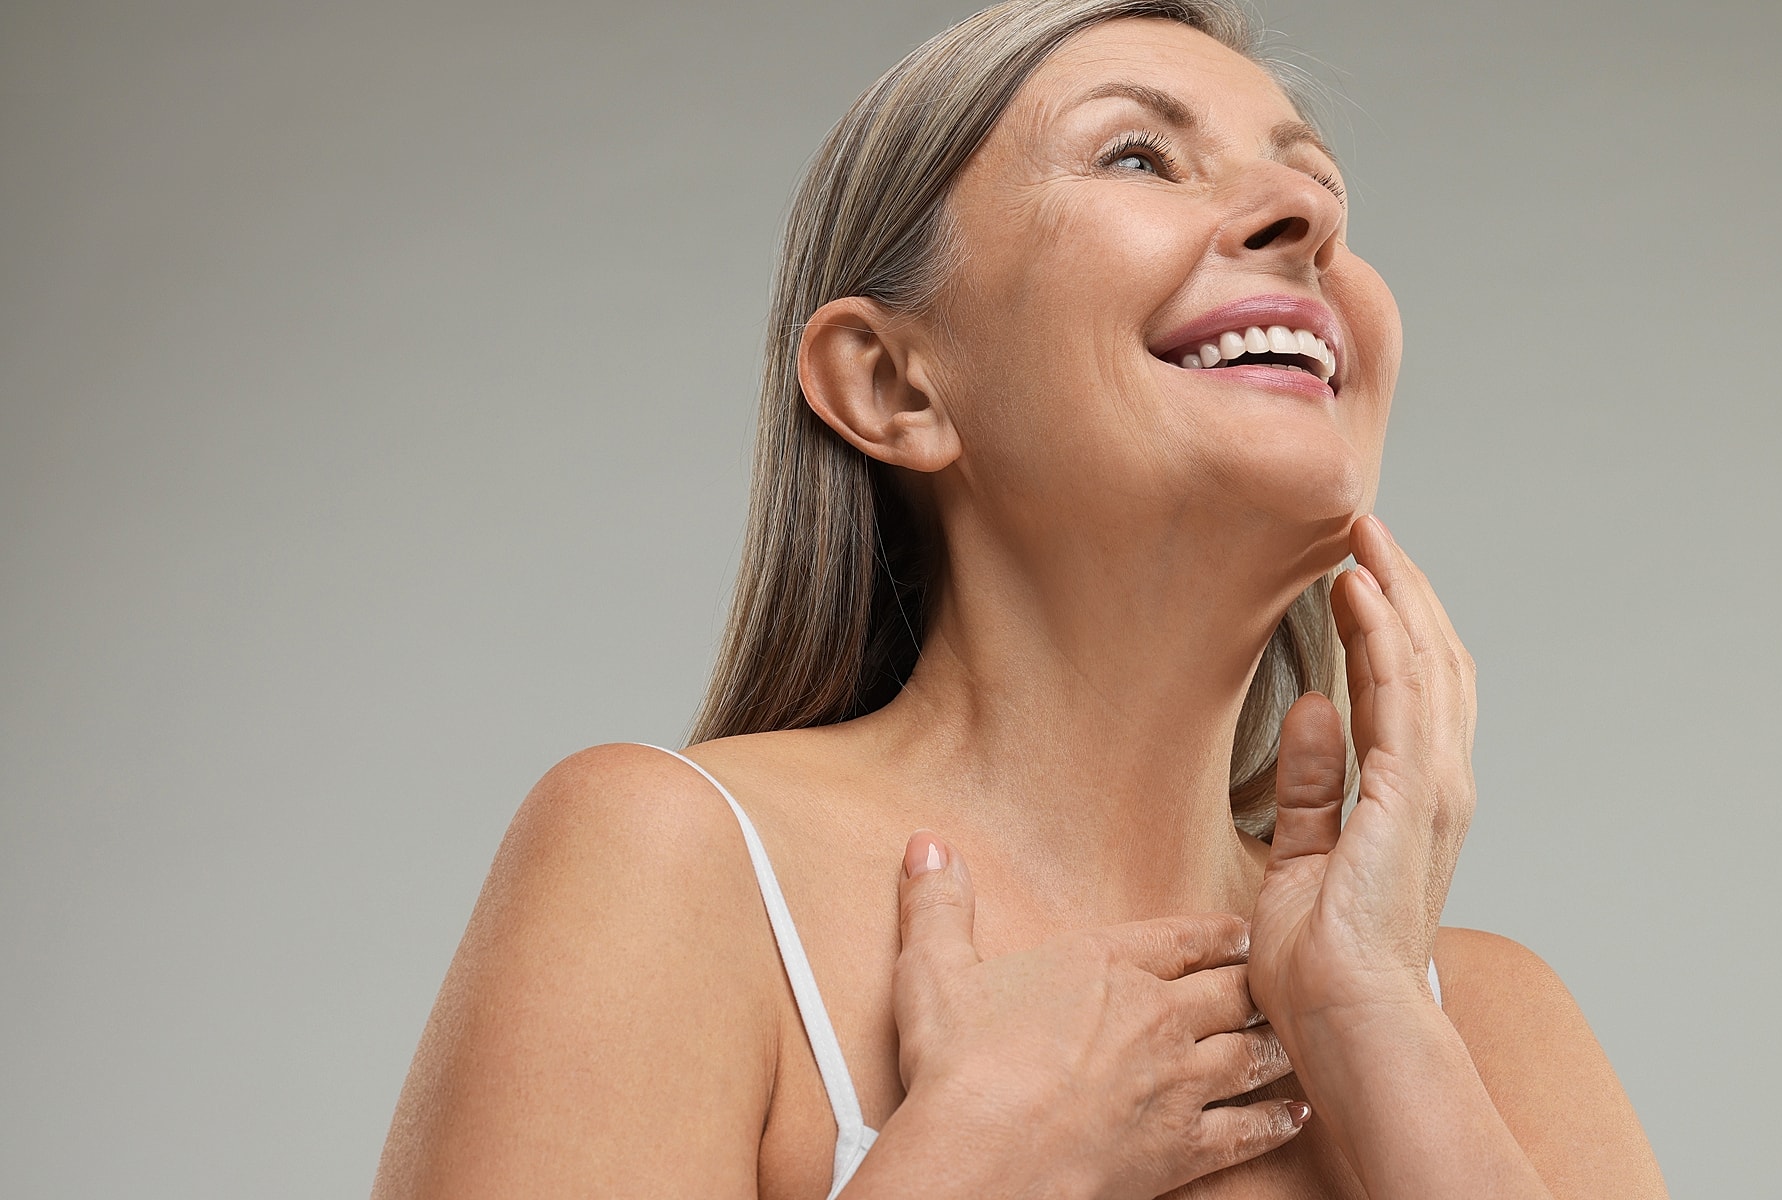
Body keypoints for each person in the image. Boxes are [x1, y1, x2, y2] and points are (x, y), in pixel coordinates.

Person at [372, 1, 1667, 1196]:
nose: (1303, 215)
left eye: (1320, 184)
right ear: (893, 386)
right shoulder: (671, 867)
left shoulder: (1488, 1023)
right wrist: (977, 1161)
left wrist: (1378, 1026)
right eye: (1138, 159)